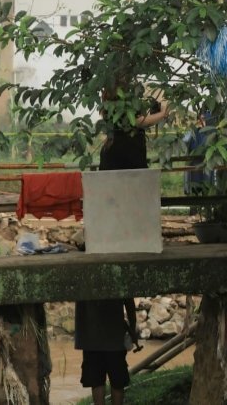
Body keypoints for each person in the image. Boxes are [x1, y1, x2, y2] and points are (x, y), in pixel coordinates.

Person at [75, 79, 167, 405]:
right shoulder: (126, 114)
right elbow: (142, 120)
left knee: (98, 375)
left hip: (115, 178)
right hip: (128, 173)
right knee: (115, 375)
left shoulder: (111, 115)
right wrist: (163, 111)